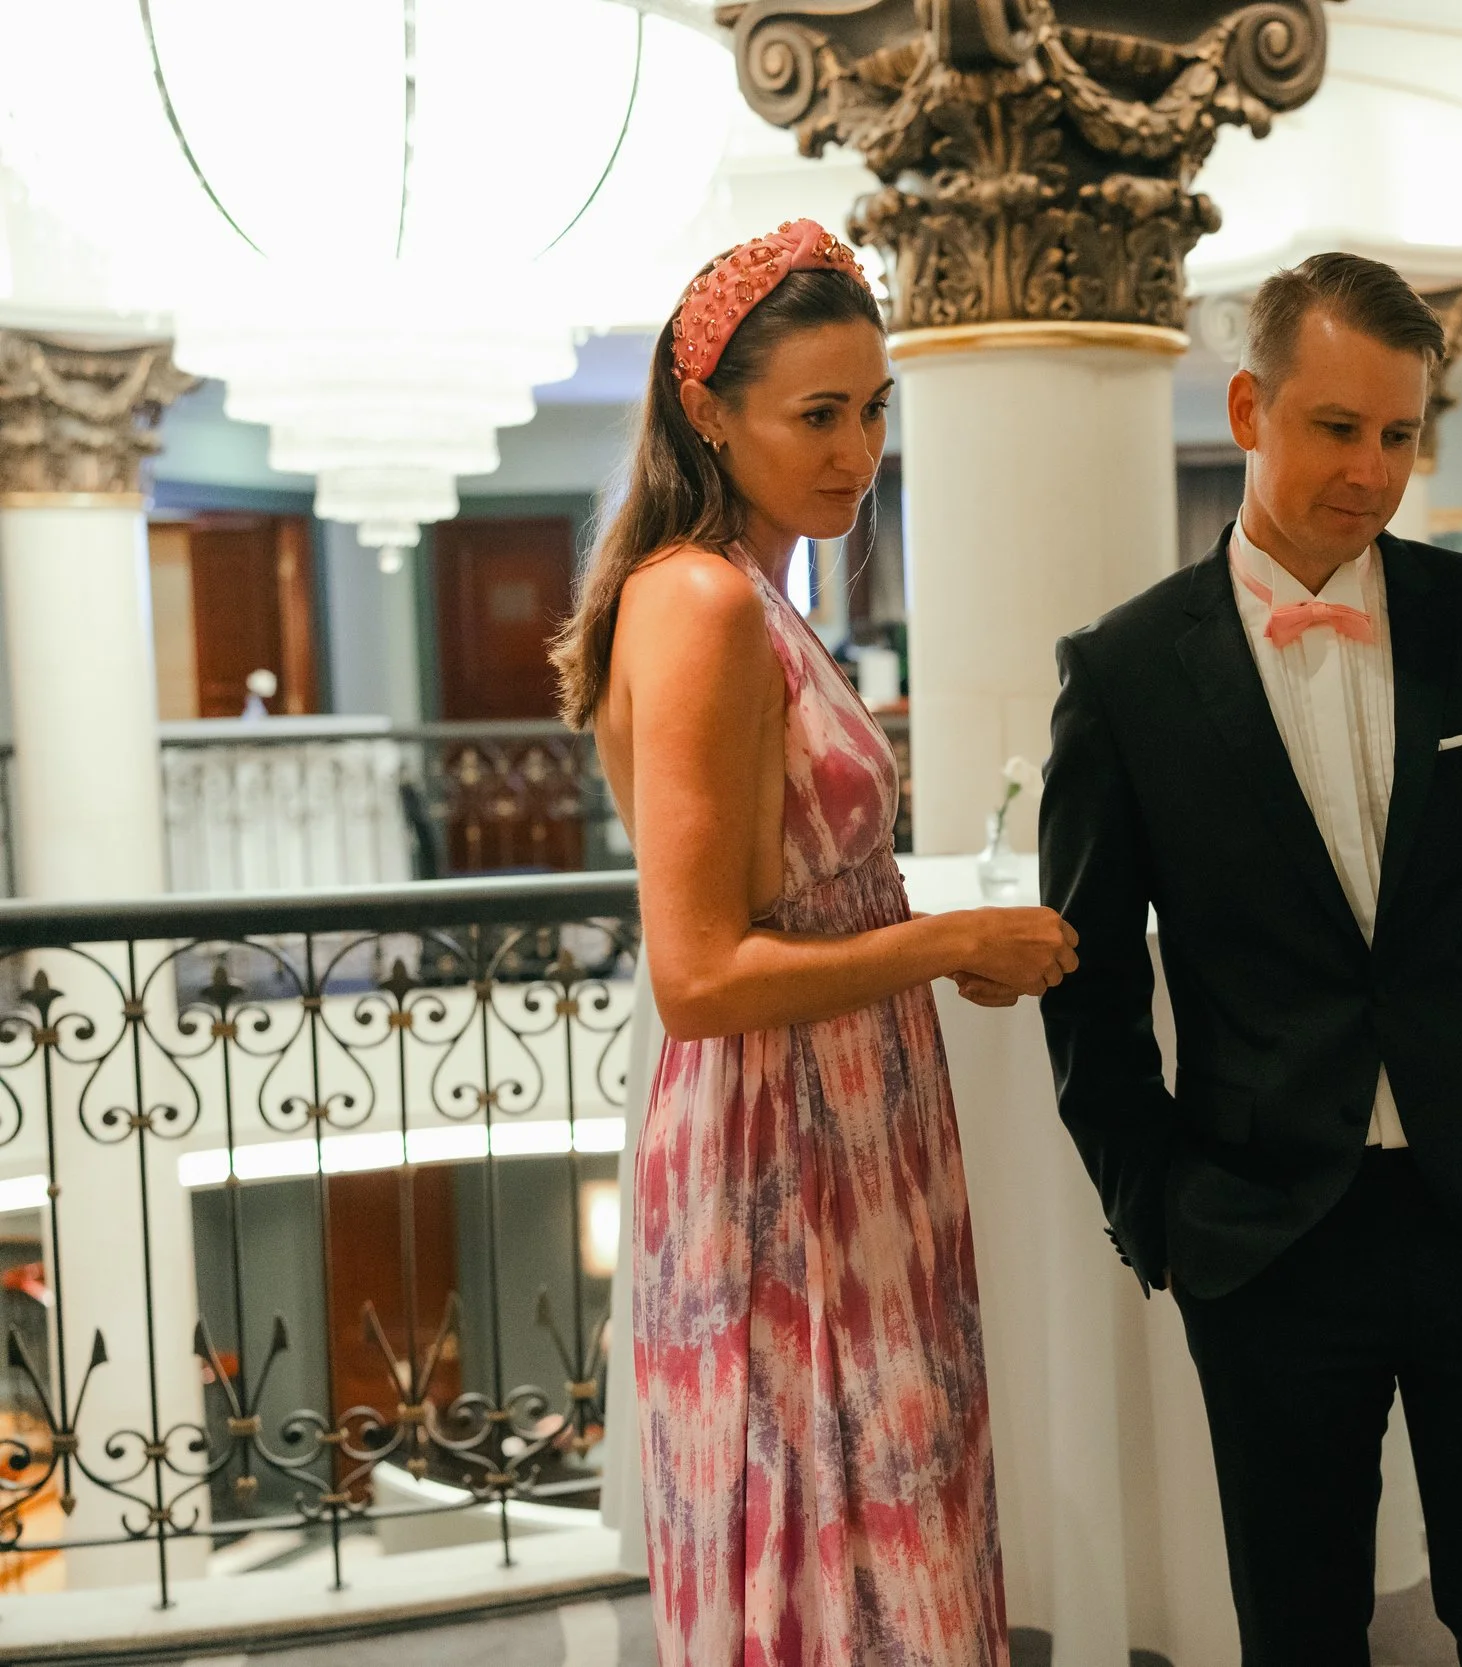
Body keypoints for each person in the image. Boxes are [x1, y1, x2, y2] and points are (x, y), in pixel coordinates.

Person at [1038, 253, 1462, 1664]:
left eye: (1400, 432)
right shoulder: (1126, 671)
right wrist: (1166, 1213)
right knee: (1300, 1626)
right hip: (1268, 1236)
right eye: (1337, 427)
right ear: (1251, 406)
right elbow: (1093, 983)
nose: (1374, 471)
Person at [549, 220, 1076, 1667]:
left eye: (875, 408)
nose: (858, 450)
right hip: (780, 1141)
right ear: (710, 411)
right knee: (827, 1549)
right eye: (819, 414)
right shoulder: (706, 601)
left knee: (871, 1531)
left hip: (850, 1122)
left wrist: (922, 944)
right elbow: (701, 975)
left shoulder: (743, 590)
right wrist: (944, 934)